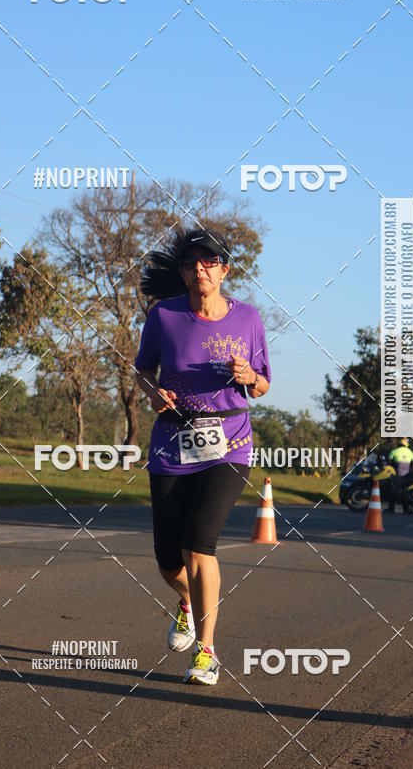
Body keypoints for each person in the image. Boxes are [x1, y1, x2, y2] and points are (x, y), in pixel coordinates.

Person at [134, 226, 271, 685]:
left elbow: (263, 384)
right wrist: (154, 394)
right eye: (192, 263)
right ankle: (188, 601)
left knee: (198, 542)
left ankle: (207, 652)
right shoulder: (163, 316)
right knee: (168, 560)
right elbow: (142, 371)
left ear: (225, 270)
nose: (201, 269)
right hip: (173, 443)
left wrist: (250, 376)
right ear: (182, 272)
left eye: (210, 262)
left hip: (229, 444)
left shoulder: (248, 319)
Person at [385, 437, 413, 513]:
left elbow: (388, 462)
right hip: (407, 475)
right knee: (405, 490)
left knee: (392, 490)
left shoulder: (395, 451)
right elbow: (412, 464)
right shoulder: (410, 452)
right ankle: (406, 508)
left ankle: (391, 508)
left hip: (397, 474)